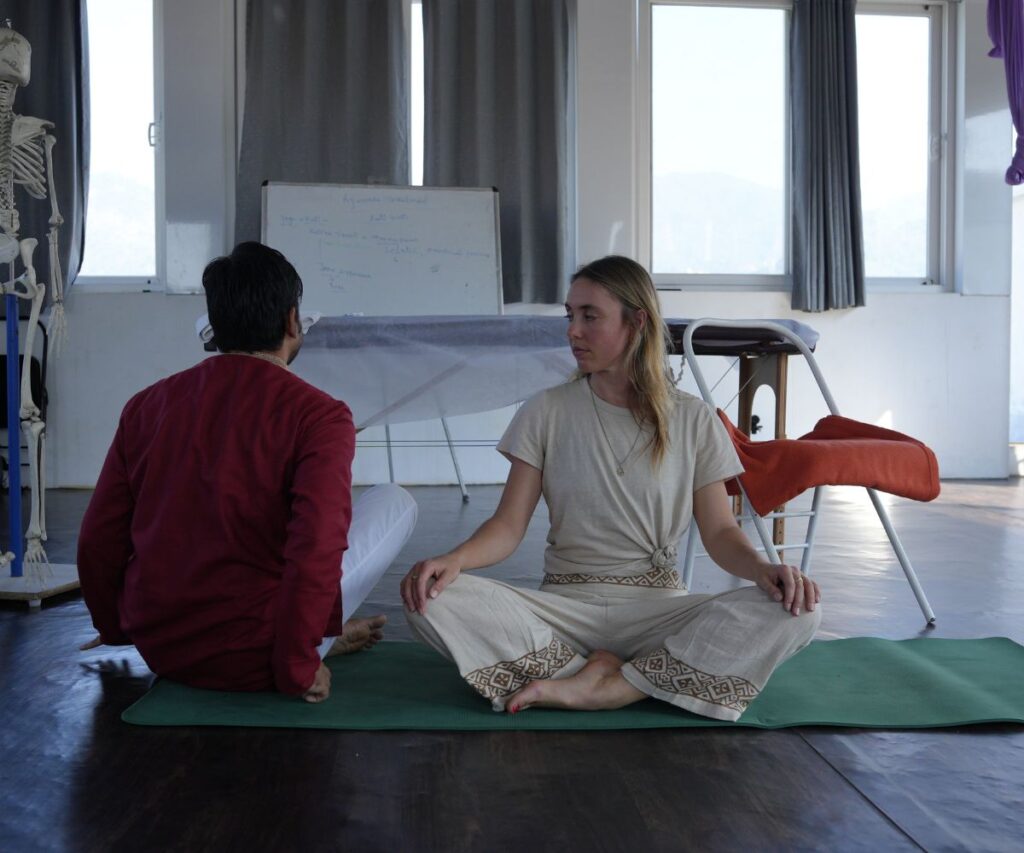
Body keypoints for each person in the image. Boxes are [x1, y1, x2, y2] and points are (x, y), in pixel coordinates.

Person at [401, 255, 820, 721]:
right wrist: (453, 561)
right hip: (563, 612)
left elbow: (720, 533)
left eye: (589, 316)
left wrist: (764, 569)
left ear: (636, 321)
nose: (572, 331)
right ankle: (624, 676)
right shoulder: (546, 411)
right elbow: (507, 525)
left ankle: (606, 685)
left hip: (659, 614)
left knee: (797, 610)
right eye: (570, 316)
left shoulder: (695, 419)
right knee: (428, 599)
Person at [78, 242, 417, 704]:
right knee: (396, 500)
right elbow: (315, 543)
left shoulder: (146, 405)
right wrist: (298, 667)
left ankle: (320, 639)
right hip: (261, 656)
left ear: (215, 328)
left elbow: (98, 538)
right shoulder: (320, 416)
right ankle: (317, 641)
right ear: (292, 322)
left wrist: (116, 628)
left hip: (163, 649)